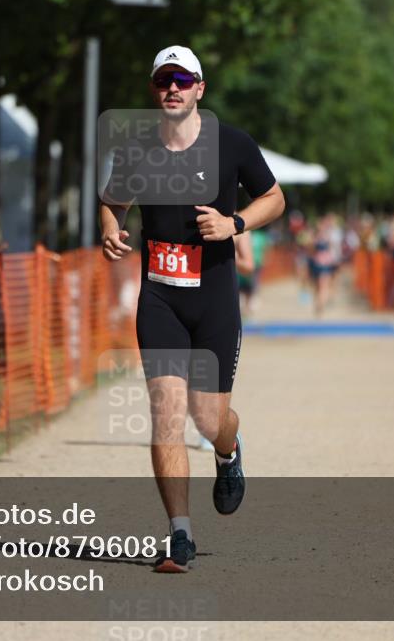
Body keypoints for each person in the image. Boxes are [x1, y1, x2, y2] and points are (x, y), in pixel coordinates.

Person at [100, 45, 285, 573]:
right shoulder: (137, 149)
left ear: (200, 88)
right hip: (159, 296)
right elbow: (113, 202)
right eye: (164, 81)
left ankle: (229, 450)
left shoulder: (232, 144)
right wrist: (111, 228)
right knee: (166, 415)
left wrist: (236, 224)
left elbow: (275, 198)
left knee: (208, 419)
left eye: (183, 79)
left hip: (214, 297)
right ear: (154, 90)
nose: (173, 88)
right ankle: (179, 536)